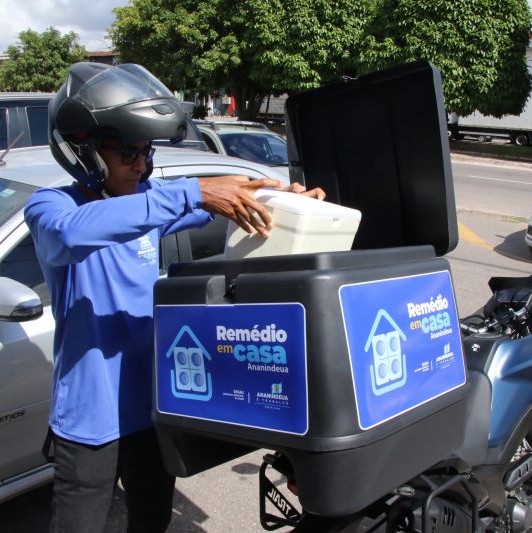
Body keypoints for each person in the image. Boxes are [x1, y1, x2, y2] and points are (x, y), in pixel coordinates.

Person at [24, 62, 324, 533]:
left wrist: (287, 202)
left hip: (153, 408)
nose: (141, 165)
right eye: (128, 154)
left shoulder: (146, 203)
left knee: (152, 521)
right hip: (90, 420)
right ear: (84, 149)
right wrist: (192, 192)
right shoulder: (52, 206)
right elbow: (70, 234)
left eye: (146, 153)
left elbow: (222, 208)